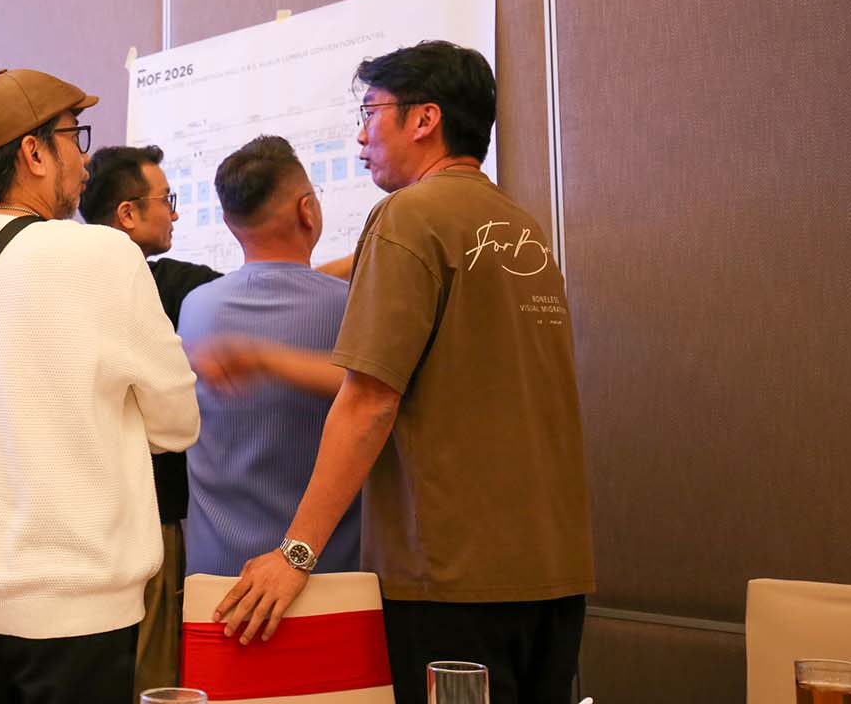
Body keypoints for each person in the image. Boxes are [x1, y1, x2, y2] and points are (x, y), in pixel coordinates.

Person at [195, 42, 595, 704]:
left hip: (451, 581)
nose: (360, 135)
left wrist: (296, 554)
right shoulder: (521, 228)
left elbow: (368, 401)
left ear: (424, 119)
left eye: (371, 112)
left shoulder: (407, 216)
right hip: (553, 573)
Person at [0, 68, 200, 704]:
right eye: (74, 136)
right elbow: (178, 422)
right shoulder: (104, 255)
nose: (85, 157)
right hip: (79, 596)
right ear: (33, 152)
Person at [177, 135, 360, 577]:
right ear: (307, 210)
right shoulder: (350, 309)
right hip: (328, 575)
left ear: (228, 222)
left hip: (217, 579)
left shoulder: (197, 307)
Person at [78, 146, 221, 694]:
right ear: (128, 214)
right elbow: (261, 287)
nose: (175, 213)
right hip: (148, 520)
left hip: (77, 524)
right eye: (167, 199)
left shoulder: (56, 285)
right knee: (150, 678)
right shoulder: (169, 286)